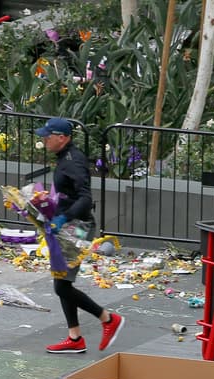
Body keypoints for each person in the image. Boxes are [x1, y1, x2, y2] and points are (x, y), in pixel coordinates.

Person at [35, 117, 124, 355]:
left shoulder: (72, 161)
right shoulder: (65, 158)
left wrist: (64, 219)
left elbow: (85, 197)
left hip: (78, 226)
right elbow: (69, 193)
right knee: (62, 282)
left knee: (62, 286)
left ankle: (107, 319)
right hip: (66, 223)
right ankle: (74, 338)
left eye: (48, 136)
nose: (44, 139)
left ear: (62, 138)